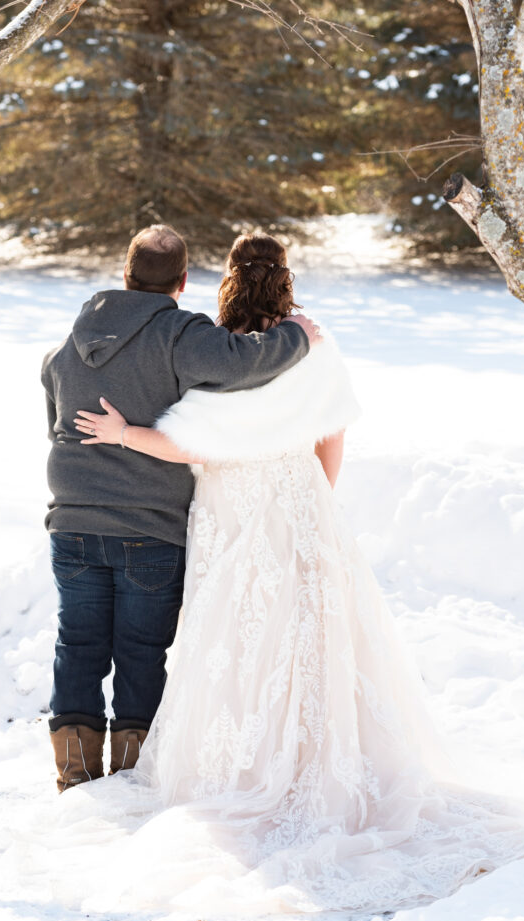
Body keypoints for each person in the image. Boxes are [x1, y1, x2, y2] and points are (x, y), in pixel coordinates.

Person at [47, 231, 524, 917]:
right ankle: (317, 763)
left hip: (229, 508)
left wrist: (124, 435)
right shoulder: (314, 344)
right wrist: (312, 503)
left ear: (222, 285)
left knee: (239, 643)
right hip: (300, 498)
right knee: (313, 639)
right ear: (285, 279)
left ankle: (223, 765)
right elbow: (332, 435)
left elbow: (187, 441)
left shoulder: (213, 352)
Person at [41, 224, 319, 792]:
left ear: (126, 273)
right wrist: (298, 338)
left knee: (78, 642)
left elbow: (55, 413)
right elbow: (242, 364)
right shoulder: (179, 334)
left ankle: (73, 770)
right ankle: (130, 768)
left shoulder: (68, 343)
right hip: (149, 524)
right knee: (142, 648)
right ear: (184, 281)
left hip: (72, 521)